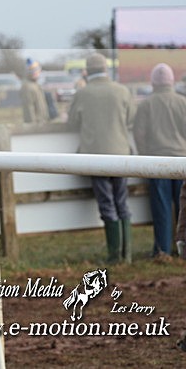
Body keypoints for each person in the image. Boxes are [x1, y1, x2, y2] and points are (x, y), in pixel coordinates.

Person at [68, 53, 136, 263]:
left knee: (107, 204)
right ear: (106, 69)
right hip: (121, 155)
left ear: (87, 71)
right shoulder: (122, 91)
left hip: (95, 156)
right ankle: (127, 255)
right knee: (122, 202)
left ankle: (114, 256)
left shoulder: (82, 93)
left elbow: (71, 122)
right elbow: (131, 118)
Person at [132, 63, 186, 257]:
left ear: (153, 82)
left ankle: (162, 251)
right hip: (182, 163)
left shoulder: (146, 104)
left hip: (157, 164)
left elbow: (139, 134)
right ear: (172, 81)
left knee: (161, 209)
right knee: (184, 209)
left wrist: (146, 158)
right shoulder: (183, 102)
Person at [20, 59, 49, 124]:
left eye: (38, 70)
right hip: (36, 124)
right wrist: (32, 125)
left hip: (41, 122)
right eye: (35, 71)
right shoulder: (27, 87)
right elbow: (29, 108)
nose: (38, 73)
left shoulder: (35, 85)